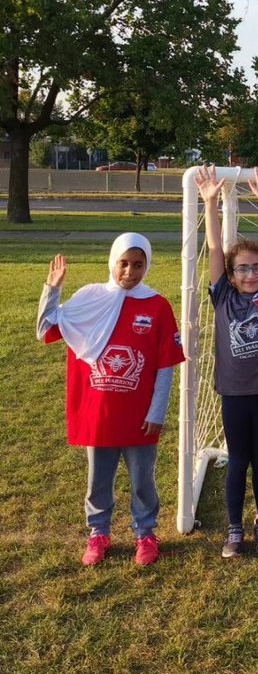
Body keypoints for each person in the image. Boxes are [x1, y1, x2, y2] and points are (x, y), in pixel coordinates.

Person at [36, 234, 185, 566]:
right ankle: (98, 533)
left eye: (138, 264)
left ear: (147, 266)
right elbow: (45, 328)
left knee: (142, 479)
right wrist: (53, 290)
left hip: (140, 417)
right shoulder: (90, 298)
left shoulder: (157, 305)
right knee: (97, 480)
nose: (130, 272)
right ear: (112, 261)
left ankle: (145, 534)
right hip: (98, 413)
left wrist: (157, 411)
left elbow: (165, 364)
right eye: (124, 263)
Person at [196, 164, 258, 558]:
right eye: (243, 269)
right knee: (238, 460)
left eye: (256, 267)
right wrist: (210, 204)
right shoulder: (223, 297)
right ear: (232, 275)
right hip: (234, 393)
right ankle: (234, 529)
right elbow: (216, 249)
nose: (252, 273)